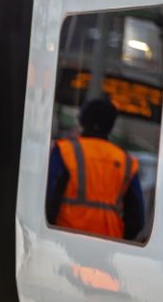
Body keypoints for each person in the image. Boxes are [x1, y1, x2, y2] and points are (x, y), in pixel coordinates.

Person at [46, 97, 145, 240]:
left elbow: (50, 199)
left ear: (82, 121)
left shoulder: (65, 151)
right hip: (108, 246)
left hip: (65, 240)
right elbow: (137, 219)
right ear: (110, 126)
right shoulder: (126, 162)